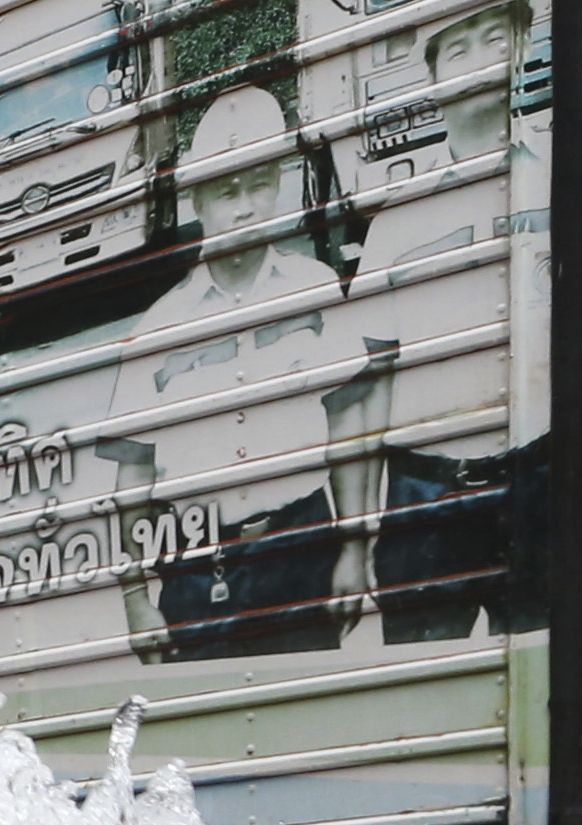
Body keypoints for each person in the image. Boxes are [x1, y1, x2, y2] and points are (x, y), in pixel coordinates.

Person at [341, 2, 582, 639]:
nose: (478, 61)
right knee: (422, 681)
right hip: (425, 494)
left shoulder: (574, 173)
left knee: (545, 662)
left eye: (493, 37)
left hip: (538, 472)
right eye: (456, 48)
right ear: (431, 74)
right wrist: (362, 523)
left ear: (525, 41)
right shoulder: (396, 222)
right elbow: (371, 383)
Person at [107, 82, 369, 660]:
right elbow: (132, 483)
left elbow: (347, 427)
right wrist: (135, 597)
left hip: (304, 553)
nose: (246, 205)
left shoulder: (315, 292)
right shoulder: (156, 330)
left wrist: (355, 547)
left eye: (260, 184)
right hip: (197, 573)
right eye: (227, 191)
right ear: (197, 202)